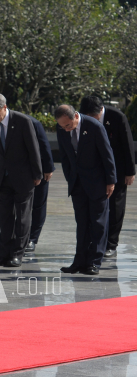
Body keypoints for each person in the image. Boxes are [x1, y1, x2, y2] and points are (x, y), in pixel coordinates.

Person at [0, 93, 42, 268]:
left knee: (22, 218)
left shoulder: (22, 121)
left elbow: (33, 149)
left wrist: (37, 174)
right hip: (3, 177)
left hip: (24, 177)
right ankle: (3, 254)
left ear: (4, 108)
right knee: (5, 217)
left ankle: (17, 254)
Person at [55, 104, 116, 275]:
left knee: (97, 223)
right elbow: (65, 156)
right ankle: (79, 261)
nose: (66, 129)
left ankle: (94, 262)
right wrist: (70, 178)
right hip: (77, 183)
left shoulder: (94, 126)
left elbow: (107, 154)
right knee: (82, 223)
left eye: (68, 125)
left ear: (75, 116)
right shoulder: (62, 128)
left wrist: (111, 181)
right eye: (62, 127)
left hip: (97, 182)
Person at [79, 96, 136, 258]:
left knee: (116, 207)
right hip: (95, 170)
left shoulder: (117, 117)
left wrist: (130, 172)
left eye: (92, 117)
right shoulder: (83, 120)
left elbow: (128, 145)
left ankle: (111, 243)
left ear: (99, 112)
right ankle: (96, 241)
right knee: (96, 207)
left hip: (118, 170)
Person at [26, 115, 55, 254]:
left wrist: (48, 168)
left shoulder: (33, 123)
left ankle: (32, 238)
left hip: (39, 169)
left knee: (38, 204)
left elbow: (44, 145)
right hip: (17, 171)